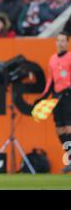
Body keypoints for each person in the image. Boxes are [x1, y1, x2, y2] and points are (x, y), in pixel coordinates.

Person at [33, 32, 71, 173]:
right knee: (59, 130)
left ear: (67, 43)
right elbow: (51, 81)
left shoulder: (70, 57)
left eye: (63, 41)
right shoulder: (52, 59)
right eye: (58, 40)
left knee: (69, 128)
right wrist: (42, 97)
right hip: (57, 97)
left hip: (68, 95)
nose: (60, 43)